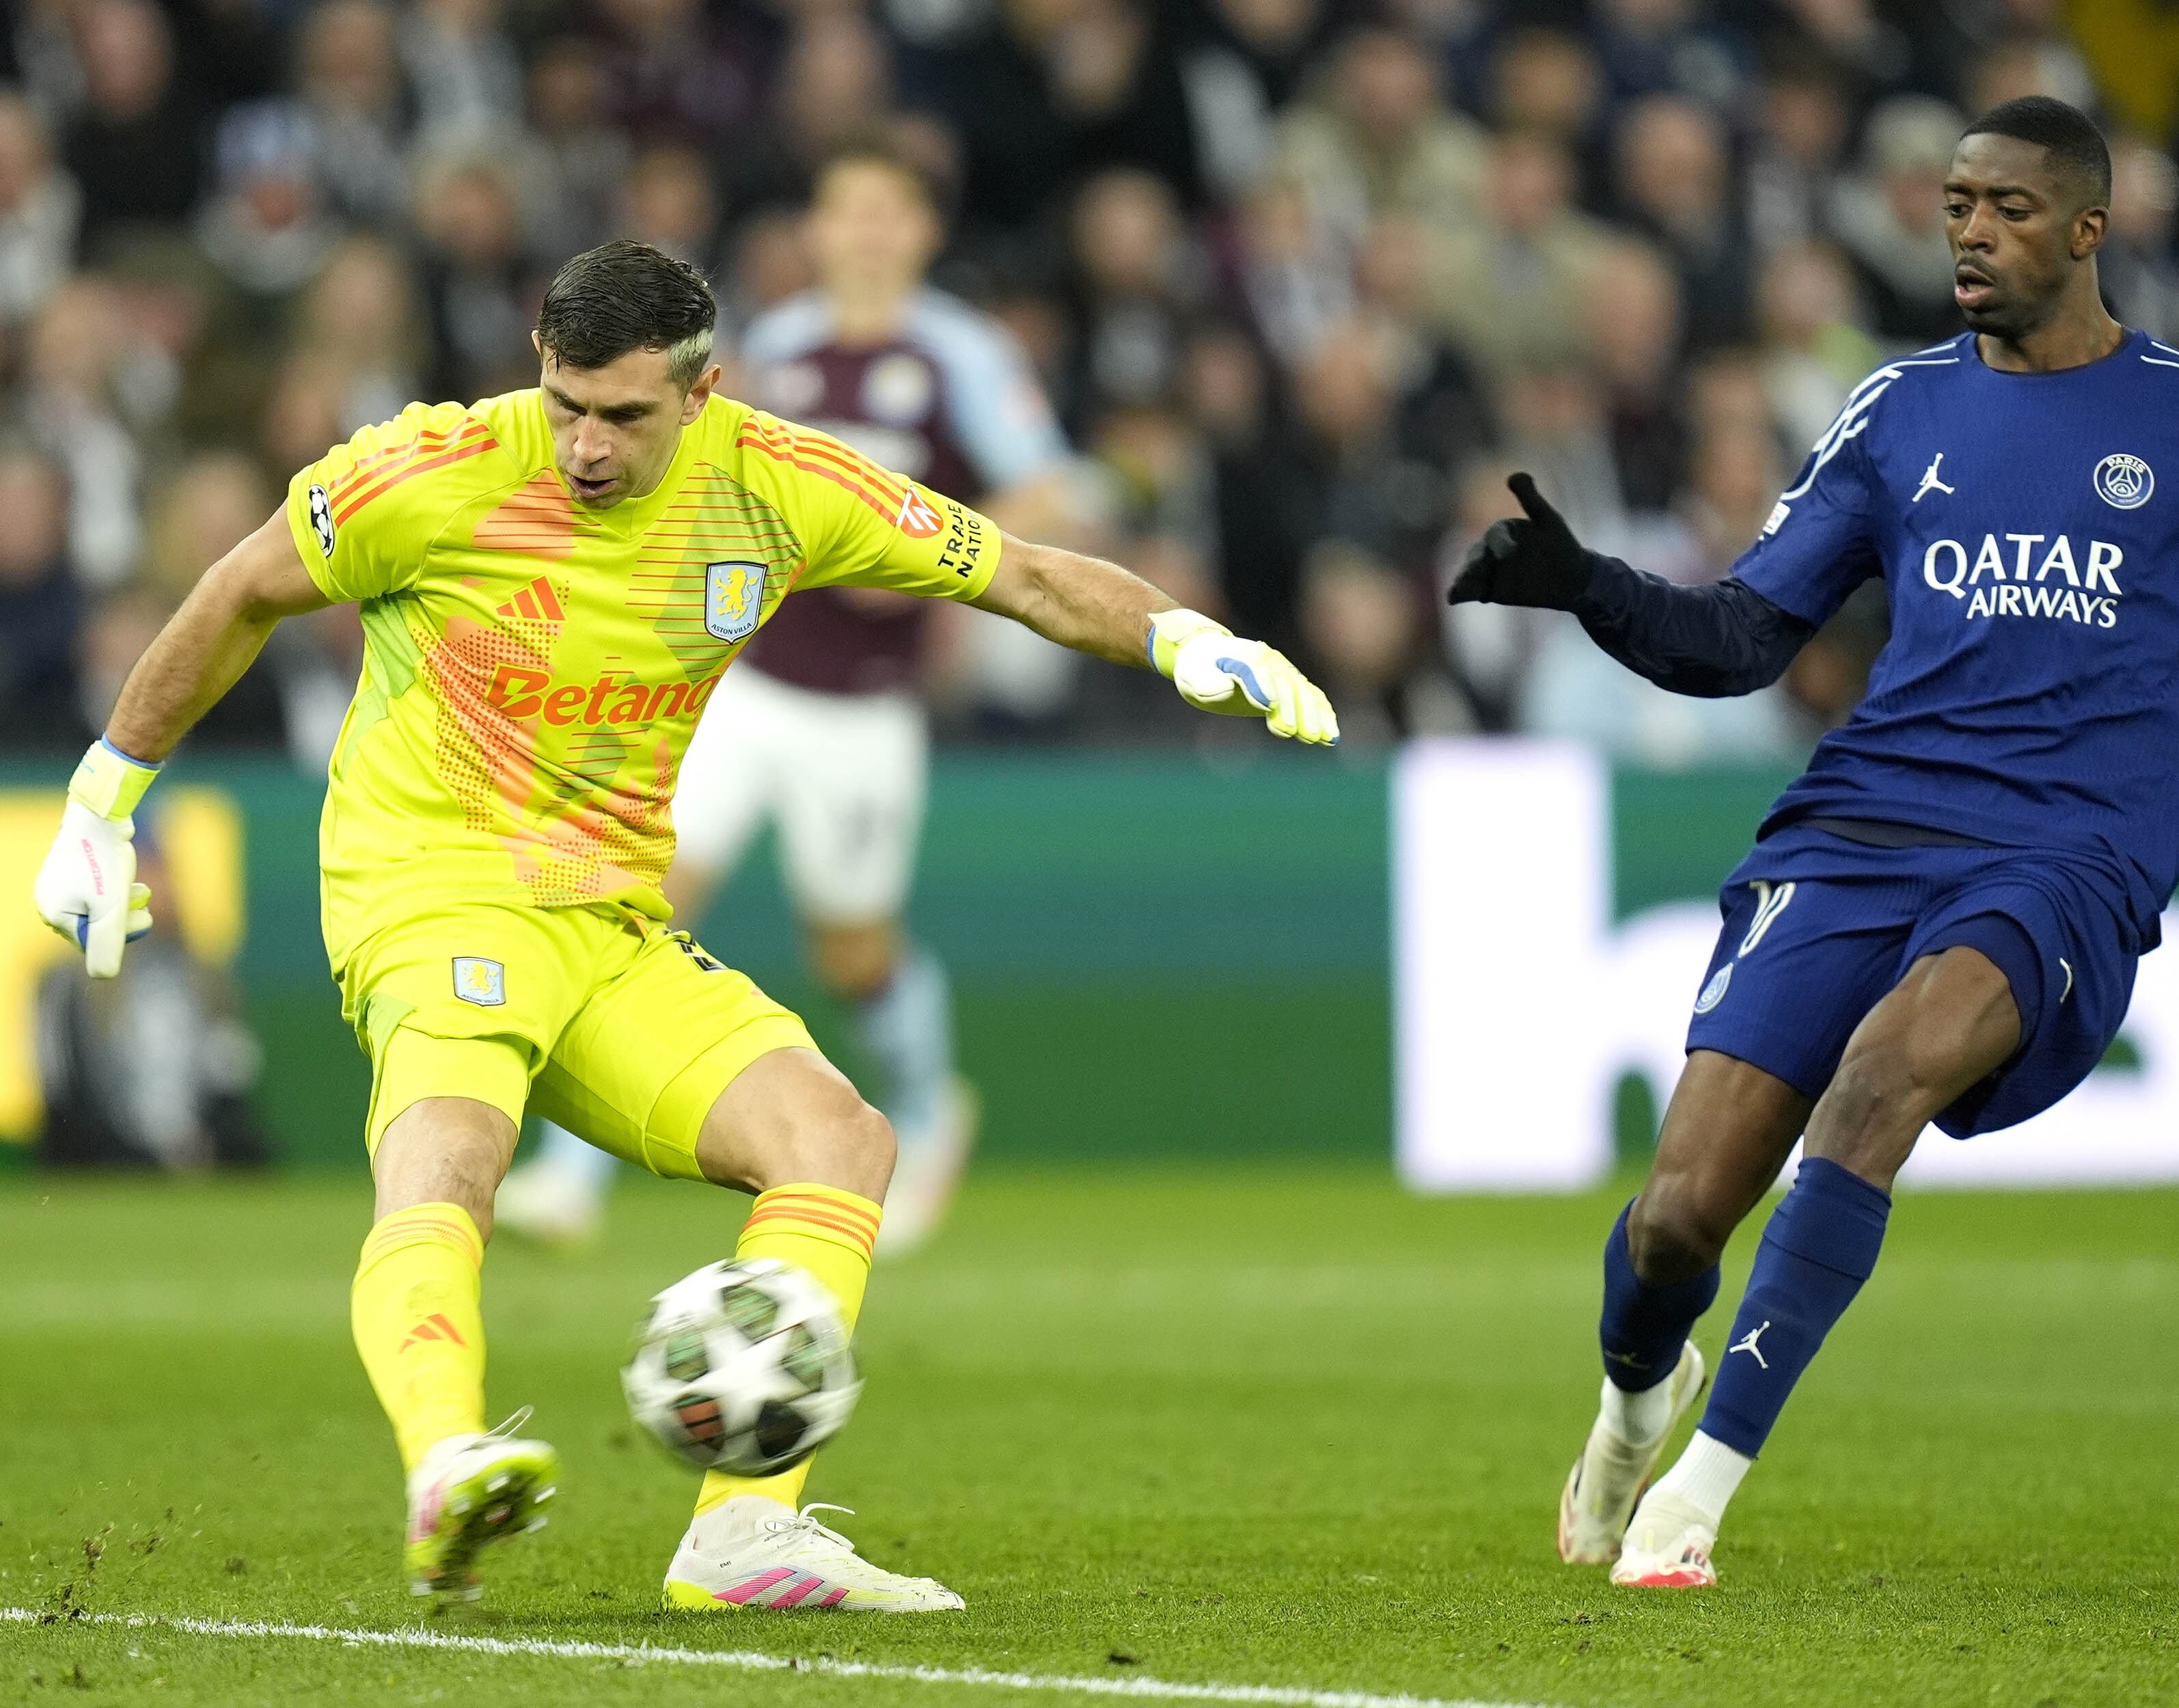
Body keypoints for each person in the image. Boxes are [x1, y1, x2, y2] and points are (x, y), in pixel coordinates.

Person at [30, 240, 1334, 1610]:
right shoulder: (432, 469)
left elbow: (1017, 573)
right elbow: (241, 585)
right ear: (539, 355)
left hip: (607, 916)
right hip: (432, 879)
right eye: (567, 401)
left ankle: (743, 1534)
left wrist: (1188, 636)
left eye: (626, 416)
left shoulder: (779, 485)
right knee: (456, 1152)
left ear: (705, 389)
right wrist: (105, 798)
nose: (586, 444)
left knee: (840, 1139)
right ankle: (443, 1461)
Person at [1448, 97, 2179, 1590]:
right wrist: (1589, 584)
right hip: (1870, 817)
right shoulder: (1897, 412)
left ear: (2090, 229)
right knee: (1681, 1212)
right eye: (1956, 202)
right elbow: (1746, 634)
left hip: (2071, 846)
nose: (1969, 229)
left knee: (1889, 1068)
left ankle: (1700, 1490)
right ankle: (1643, 1392)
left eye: (2009, 207)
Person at [495, 146, 1078, 1255]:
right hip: (746, 689)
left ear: (919, 231)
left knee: (852, 952)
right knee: (638, 905)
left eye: (884, 212)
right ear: (815, 229)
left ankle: (929, 1104)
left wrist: (921, 554)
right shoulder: (773, 349)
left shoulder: (960, 352)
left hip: (866, 712)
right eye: (842, 211)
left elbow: (1046, 488)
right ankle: (570, 1176)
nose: (861, 233)